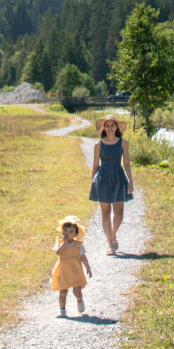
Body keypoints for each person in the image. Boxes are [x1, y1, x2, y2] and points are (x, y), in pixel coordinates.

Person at [89, 114, 134, 254]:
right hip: (103, 178)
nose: (109, 128)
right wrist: (92, 182)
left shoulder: (123, 143)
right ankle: (110, 244)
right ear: (104, 128)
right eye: (107, 126)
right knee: (106, 212)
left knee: (119, 213)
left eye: (112, 125)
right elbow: (95, 165)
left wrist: (130, 182)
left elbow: (126, 164)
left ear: (116, 127)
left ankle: (112, 234)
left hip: (118, 178)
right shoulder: (98, 145)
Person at [51, 215, 92, 317]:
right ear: (62, 231)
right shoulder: (59, 242)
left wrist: (88, 267)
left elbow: (82, 257)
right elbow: (58, 253)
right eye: (65, 231)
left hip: (75, 270)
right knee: (63, 291)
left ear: (75, 233)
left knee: (76, 290)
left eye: (71, 232)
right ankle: (62, 310)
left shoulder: (78, 245)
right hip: (63, 270)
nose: (67, 234)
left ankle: (79, 299)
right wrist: (63, 244)